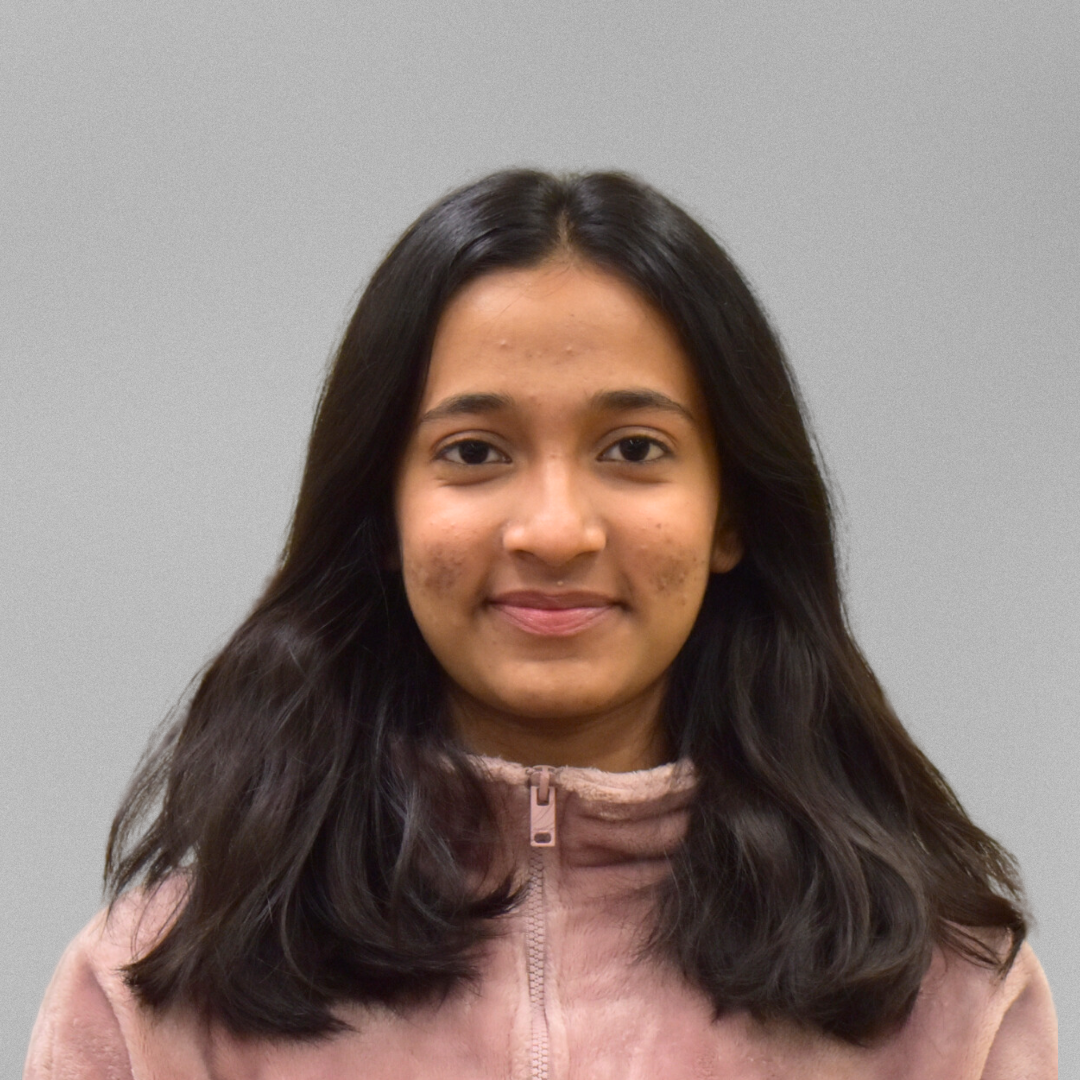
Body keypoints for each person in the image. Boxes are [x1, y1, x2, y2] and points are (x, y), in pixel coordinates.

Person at [25, 169, 1056, 1079]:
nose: (555, 530)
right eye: (475, 452)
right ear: (381, 515)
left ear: (730, 511)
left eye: (635, 449)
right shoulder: (154, 997)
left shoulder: (941, 1000)